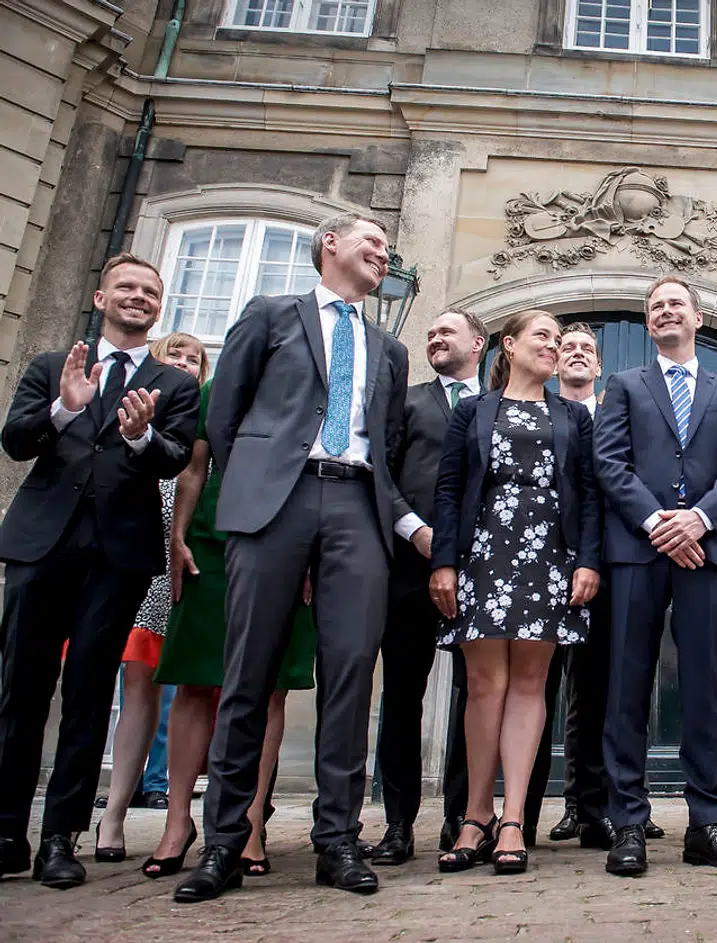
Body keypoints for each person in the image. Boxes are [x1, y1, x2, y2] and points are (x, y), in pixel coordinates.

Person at [175, 212, 410, 902]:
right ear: (328, 244)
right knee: (246, 671)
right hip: (272, 502)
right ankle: (222, 842)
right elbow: (224, 418)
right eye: (373, 240)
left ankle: (335, 840)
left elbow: (386, 438)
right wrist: (258, 481)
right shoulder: (270, 314)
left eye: (386, 249)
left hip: (357, 507)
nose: (382, 253)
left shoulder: (387, 349)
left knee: (350, 676)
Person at [0, 253, 200, 889]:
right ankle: (7, 832)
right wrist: (62, 409)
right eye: (127, 288)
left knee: (89, 694)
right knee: (20, 689)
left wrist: (141, 437)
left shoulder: (175, 385)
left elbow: (173, 460)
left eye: (149, 291)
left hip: (119, 553)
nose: (138, 298)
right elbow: (16, 440)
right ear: (100, 297)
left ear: (158, 307)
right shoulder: (53, 366)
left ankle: (60, 838)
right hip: (43, 544)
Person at [593, 274, 717, 878]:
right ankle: (628, 825)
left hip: (708, 554)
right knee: (627, 687)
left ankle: (707, 825)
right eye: (656, 306)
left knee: (707, 689)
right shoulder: (624, 385)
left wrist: (700, 520)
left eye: (676, 304)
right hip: (638, 551)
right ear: (647, 322)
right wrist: (660, 521)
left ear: (698, 317)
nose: (666, 312)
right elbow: (608, 463)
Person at [430, 308, 602, 875]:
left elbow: (589, 494)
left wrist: (586, 562)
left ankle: (513, 819)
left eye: (558, 340)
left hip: (550, 556)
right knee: (484, 685)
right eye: (543, 337)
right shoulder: (474, 410)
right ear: (509, 344)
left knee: (530, 685)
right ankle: (475, 815)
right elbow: (449, 490)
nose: (553, 347)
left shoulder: (574, 416)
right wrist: (445, 563)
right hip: (484, 553)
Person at [145, 374, 319, 880]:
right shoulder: (218, 387)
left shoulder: (315, 388)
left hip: (288, 536)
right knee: (195, 681)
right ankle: (177, 822)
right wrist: (177, 537)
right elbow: (194, 468)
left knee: (269, 690)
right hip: (212, 537)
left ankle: (250, 822)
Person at [368, 309, 486, 867]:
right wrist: (414, 530)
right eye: (431, 333)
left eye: (448, 332)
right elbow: (380, 473)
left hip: (485, 574)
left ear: (480, 343)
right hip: (410, 567)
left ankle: (463, 818)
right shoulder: (409, 401)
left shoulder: (499, 405)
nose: (436, 339)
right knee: (402, 696)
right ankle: (397, 823)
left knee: (476, 695)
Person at [93, 332, 208, 861]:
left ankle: (171, 798)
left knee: (187, 689)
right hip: (142, 565)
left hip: (191, 563)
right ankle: (113, 815)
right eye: (175, 356)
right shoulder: (132, 416)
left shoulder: (203, 421)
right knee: (135, 689)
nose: (185, 364)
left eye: (194, 359)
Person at [531, 321, 635, 850]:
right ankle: (567, 803)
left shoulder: (617, 412)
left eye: (586, 350)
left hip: (608, 567)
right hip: (543, 563)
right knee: (543, 686)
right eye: (567, 347)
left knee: (598, 689)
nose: (575, 354)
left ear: (598, 365)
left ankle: (606, 805)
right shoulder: (539, 415)